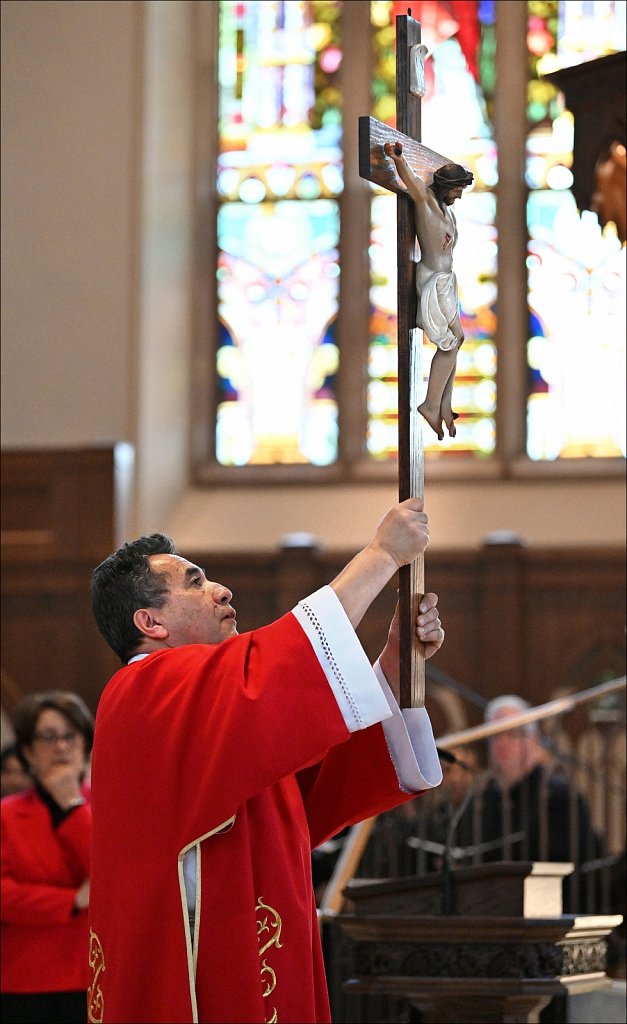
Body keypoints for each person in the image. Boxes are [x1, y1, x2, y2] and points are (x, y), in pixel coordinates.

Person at [88, 498, 445, 1023]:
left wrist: (396, 659)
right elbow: (278, 662)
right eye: (195, 582)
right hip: (200, 977)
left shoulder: (217, 711)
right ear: (150, 621)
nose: (222, 590)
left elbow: (314, 791)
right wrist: (381, 555)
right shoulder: (144, 692)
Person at [1, 691, 94, 1024]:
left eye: (71, 736)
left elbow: (116, 883)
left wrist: (72, 804)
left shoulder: (112, 808)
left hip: (94, 973)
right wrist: (72, 899)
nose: (62, 746)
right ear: (28, 751)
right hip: (26, 977)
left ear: (85, 745)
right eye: (49, 737)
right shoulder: (6, 815)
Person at [383, 141, 474, 441]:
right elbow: (411, 181)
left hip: (447, 279)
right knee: (449, 344)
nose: (460, 195)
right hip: (432, 279)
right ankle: (431, 404)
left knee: (457, 340)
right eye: (458, 189)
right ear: (447, 186)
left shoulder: (449, 212)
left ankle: (444, 404)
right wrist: (397, 159)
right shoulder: (427, 203)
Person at [481, 694, 599, 912]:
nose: (502, 743)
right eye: (494, 736)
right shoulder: (486, 797)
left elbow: (575, 863)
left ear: (533, 740)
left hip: (555, 910)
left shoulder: (559, 794)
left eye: (512, 734)